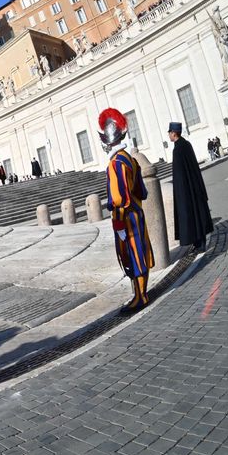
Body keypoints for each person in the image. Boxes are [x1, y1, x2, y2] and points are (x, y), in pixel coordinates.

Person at [99, 108, 153, 312]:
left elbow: (120, 197)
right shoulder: (130, 159)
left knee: (132, 254)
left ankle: (140, 297)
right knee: (141, 250)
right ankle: (141, 293)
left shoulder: (115, 163)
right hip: (137, 212)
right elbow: (142, 192)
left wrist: (118, 222)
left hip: (125, 215)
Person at [168, 123, 213, 253]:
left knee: (191, 215)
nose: (169, 135)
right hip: (194, 185)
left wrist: (180, 193)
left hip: (186, 189)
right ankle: (198, 242)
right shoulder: (186, 144)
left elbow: (179, 174)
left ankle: (200, 243)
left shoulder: (177, 150)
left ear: (174, 133)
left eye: (170, 132)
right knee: (196, 213)